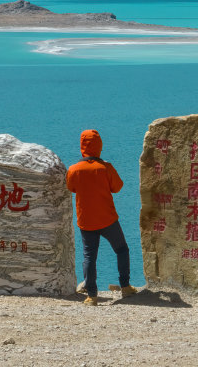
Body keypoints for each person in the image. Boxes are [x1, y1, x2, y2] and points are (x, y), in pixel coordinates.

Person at [66, 129, 137, 306]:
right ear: (99, 146)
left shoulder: (74, 170)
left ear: (82, 146)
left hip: (86, 220)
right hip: (108, 219)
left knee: (89, 257)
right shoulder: (106, 168)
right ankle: (125, 286)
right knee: (121, 249)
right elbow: (118, 187)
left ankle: (92, 296)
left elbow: (71, 187)